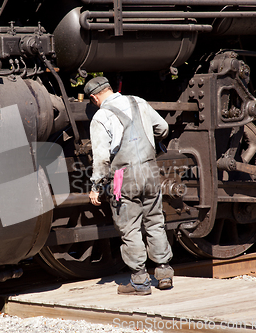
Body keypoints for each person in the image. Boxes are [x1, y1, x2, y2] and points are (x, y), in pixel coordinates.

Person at [84, 76, 173, 295]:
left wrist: (96, 185)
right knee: (155, 221)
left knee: (130, 227)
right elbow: (162, 128)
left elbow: (102, 158)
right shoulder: (138, 101)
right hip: (151, 170)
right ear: (110, 89)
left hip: (123, 176)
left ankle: (140, 281)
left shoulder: (101, 116)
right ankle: (164, 274)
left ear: (94, 97)